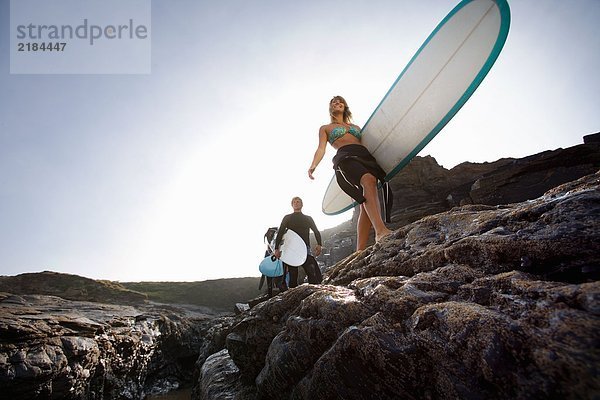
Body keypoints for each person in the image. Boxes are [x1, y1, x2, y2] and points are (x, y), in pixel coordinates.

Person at [308, 95, 393, 251]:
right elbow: (321, 148)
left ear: (344, 106)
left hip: (364, 155)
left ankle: (359, 250)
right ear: (330, 108)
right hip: (345, 157)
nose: (337, 103)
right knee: (368, 180)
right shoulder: (326, 128)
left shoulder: (356, 127)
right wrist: (314, 164)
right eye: (333, 102)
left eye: (340, 101)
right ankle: (380, 231)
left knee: (366, 200)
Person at [273, 197, 323, 288]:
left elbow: (316, 231)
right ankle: (294, 298)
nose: (296, 203)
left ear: (302, 204)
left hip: (305, 248)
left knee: (312, 272)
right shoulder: (287, 218)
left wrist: (319, 244)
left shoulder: (308, 218)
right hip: (291, 249)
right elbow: (280, 233)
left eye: (298, 202)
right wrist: (276, 248)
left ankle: (314, 294)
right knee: (293, 275)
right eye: (294, 202)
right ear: (292, 205)